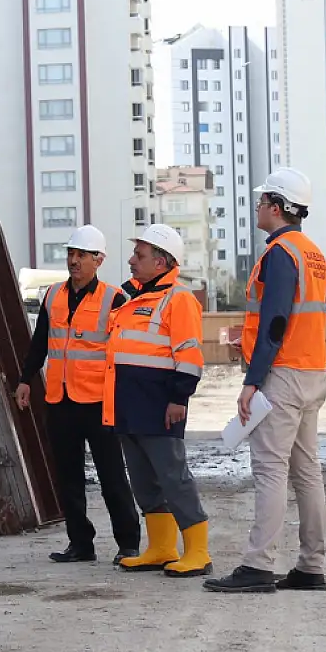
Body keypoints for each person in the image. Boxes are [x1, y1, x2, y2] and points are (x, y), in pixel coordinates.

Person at [206, 168, 326, 594]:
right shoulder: (312, 252)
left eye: (262, 202)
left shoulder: (280, 253)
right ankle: (311, 566)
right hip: (312, 371)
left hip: (285, 374)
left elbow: (276, 321)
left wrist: (252, 380)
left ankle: (259, 566)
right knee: (307, 472)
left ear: (276, 208)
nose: (258, 207)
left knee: (270, 471)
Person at [14, 226, 142, 565]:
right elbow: (40, 341)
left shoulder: (114, 299)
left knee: (111, 475)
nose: (74, 260)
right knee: (68, 477)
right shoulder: (53, 295)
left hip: (99, 402)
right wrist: (26, 379)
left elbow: (125, 351)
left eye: (81, 255)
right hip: (60, 399)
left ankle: (128, 543)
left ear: (98, 261)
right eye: (71, 254)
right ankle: (80, 544)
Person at [103, 224, 212, 577]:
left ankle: (198, 552)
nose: (132, 260)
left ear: (162, 262)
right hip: (129, 404)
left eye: (140, 255)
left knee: (173, 477)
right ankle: (161, 548)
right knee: (144, 481)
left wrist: (179, 397)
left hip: (161, 406)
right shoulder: (133, 299)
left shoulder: (178, 300)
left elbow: (190, 354)